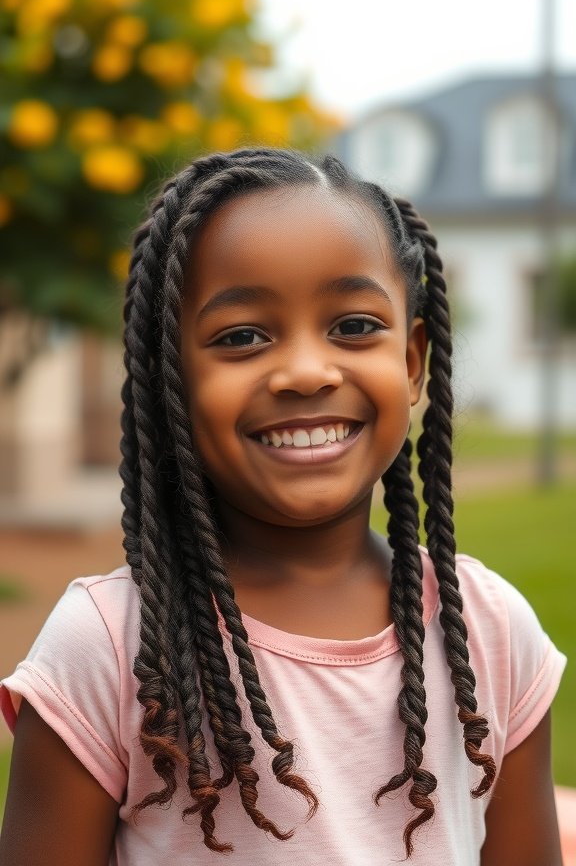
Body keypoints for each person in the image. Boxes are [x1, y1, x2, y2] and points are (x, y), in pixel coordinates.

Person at [0, 148, 566, 866]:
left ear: (413, 362)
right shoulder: (110, 647)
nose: (305, 372)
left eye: (354, 326)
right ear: (170, 380)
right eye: (243, 337)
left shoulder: (491, 635)